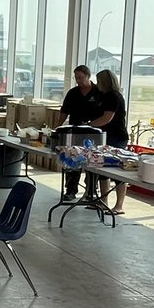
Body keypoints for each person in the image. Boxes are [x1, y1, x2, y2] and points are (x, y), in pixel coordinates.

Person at [57, 64, 104, 202]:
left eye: (81, 77)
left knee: (91, 161)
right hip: (75, 131)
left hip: (93, 133)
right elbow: (64, 111)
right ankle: (70, 190)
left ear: (88, 76)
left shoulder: (98, 92)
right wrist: (58, 127)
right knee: (72, 161)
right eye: (76, 78)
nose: (78, 80)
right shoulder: (73, 93)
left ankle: (91, 191)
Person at [90, 68, 129, 214]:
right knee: (103, 171)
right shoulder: (104, 96)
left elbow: (107, 118)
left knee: (118, 171)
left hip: (116, 137)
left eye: (99, 81)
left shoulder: (114, 96)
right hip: (106, 136)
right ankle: (104, 200)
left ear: (104, 82)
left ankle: (119, 205)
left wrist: (89, 125)